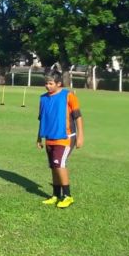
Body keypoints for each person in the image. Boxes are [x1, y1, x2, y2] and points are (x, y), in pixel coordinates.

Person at [37, 69, 84, 208]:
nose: (47, 86)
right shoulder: (43, 98)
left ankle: (68, 196)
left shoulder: (68, 96)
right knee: (53, 167)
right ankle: (56, 195)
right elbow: (42, 120)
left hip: (65, 137)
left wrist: (81, 136)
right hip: (49, 138)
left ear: (58, 83)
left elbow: (78, 117)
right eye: (46, 83)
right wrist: (39, 138)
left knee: (60, 165)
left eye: (50, 83)